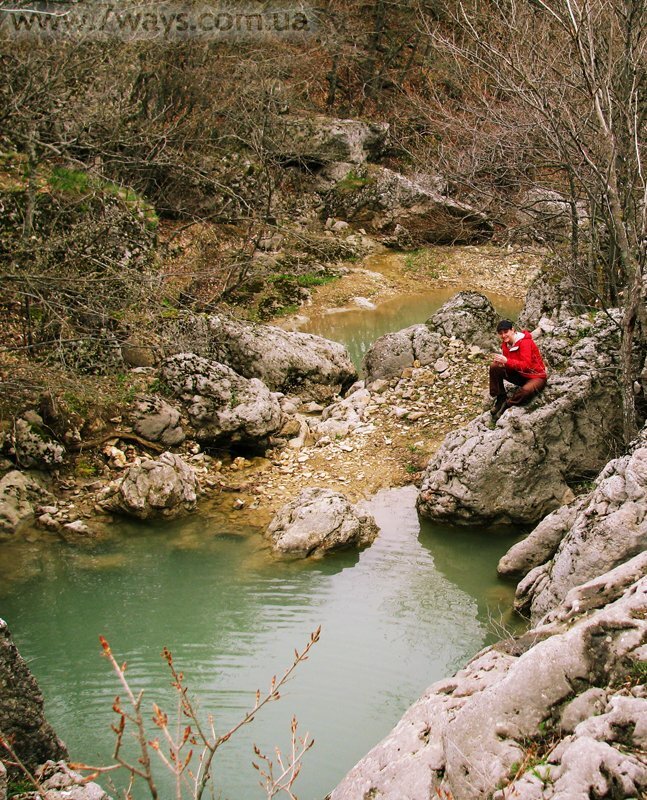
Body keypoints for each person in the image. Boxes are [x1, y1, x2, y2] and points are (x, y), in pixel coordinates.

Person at [489, 319, 547, 420]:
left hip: (536, 376)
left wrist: (507, 361)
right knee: (494, 366)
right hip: (520, 375)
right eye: (500, 333)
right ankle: (501, 396)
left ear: (513, 330)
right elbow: (512, 364)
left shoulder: (525, 342)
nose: (503, 335)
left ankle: (508, 404)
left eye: (506, 332)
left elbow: (526, 365)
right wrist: (502, 363)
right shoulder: (505, 345)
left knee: (526, 391)